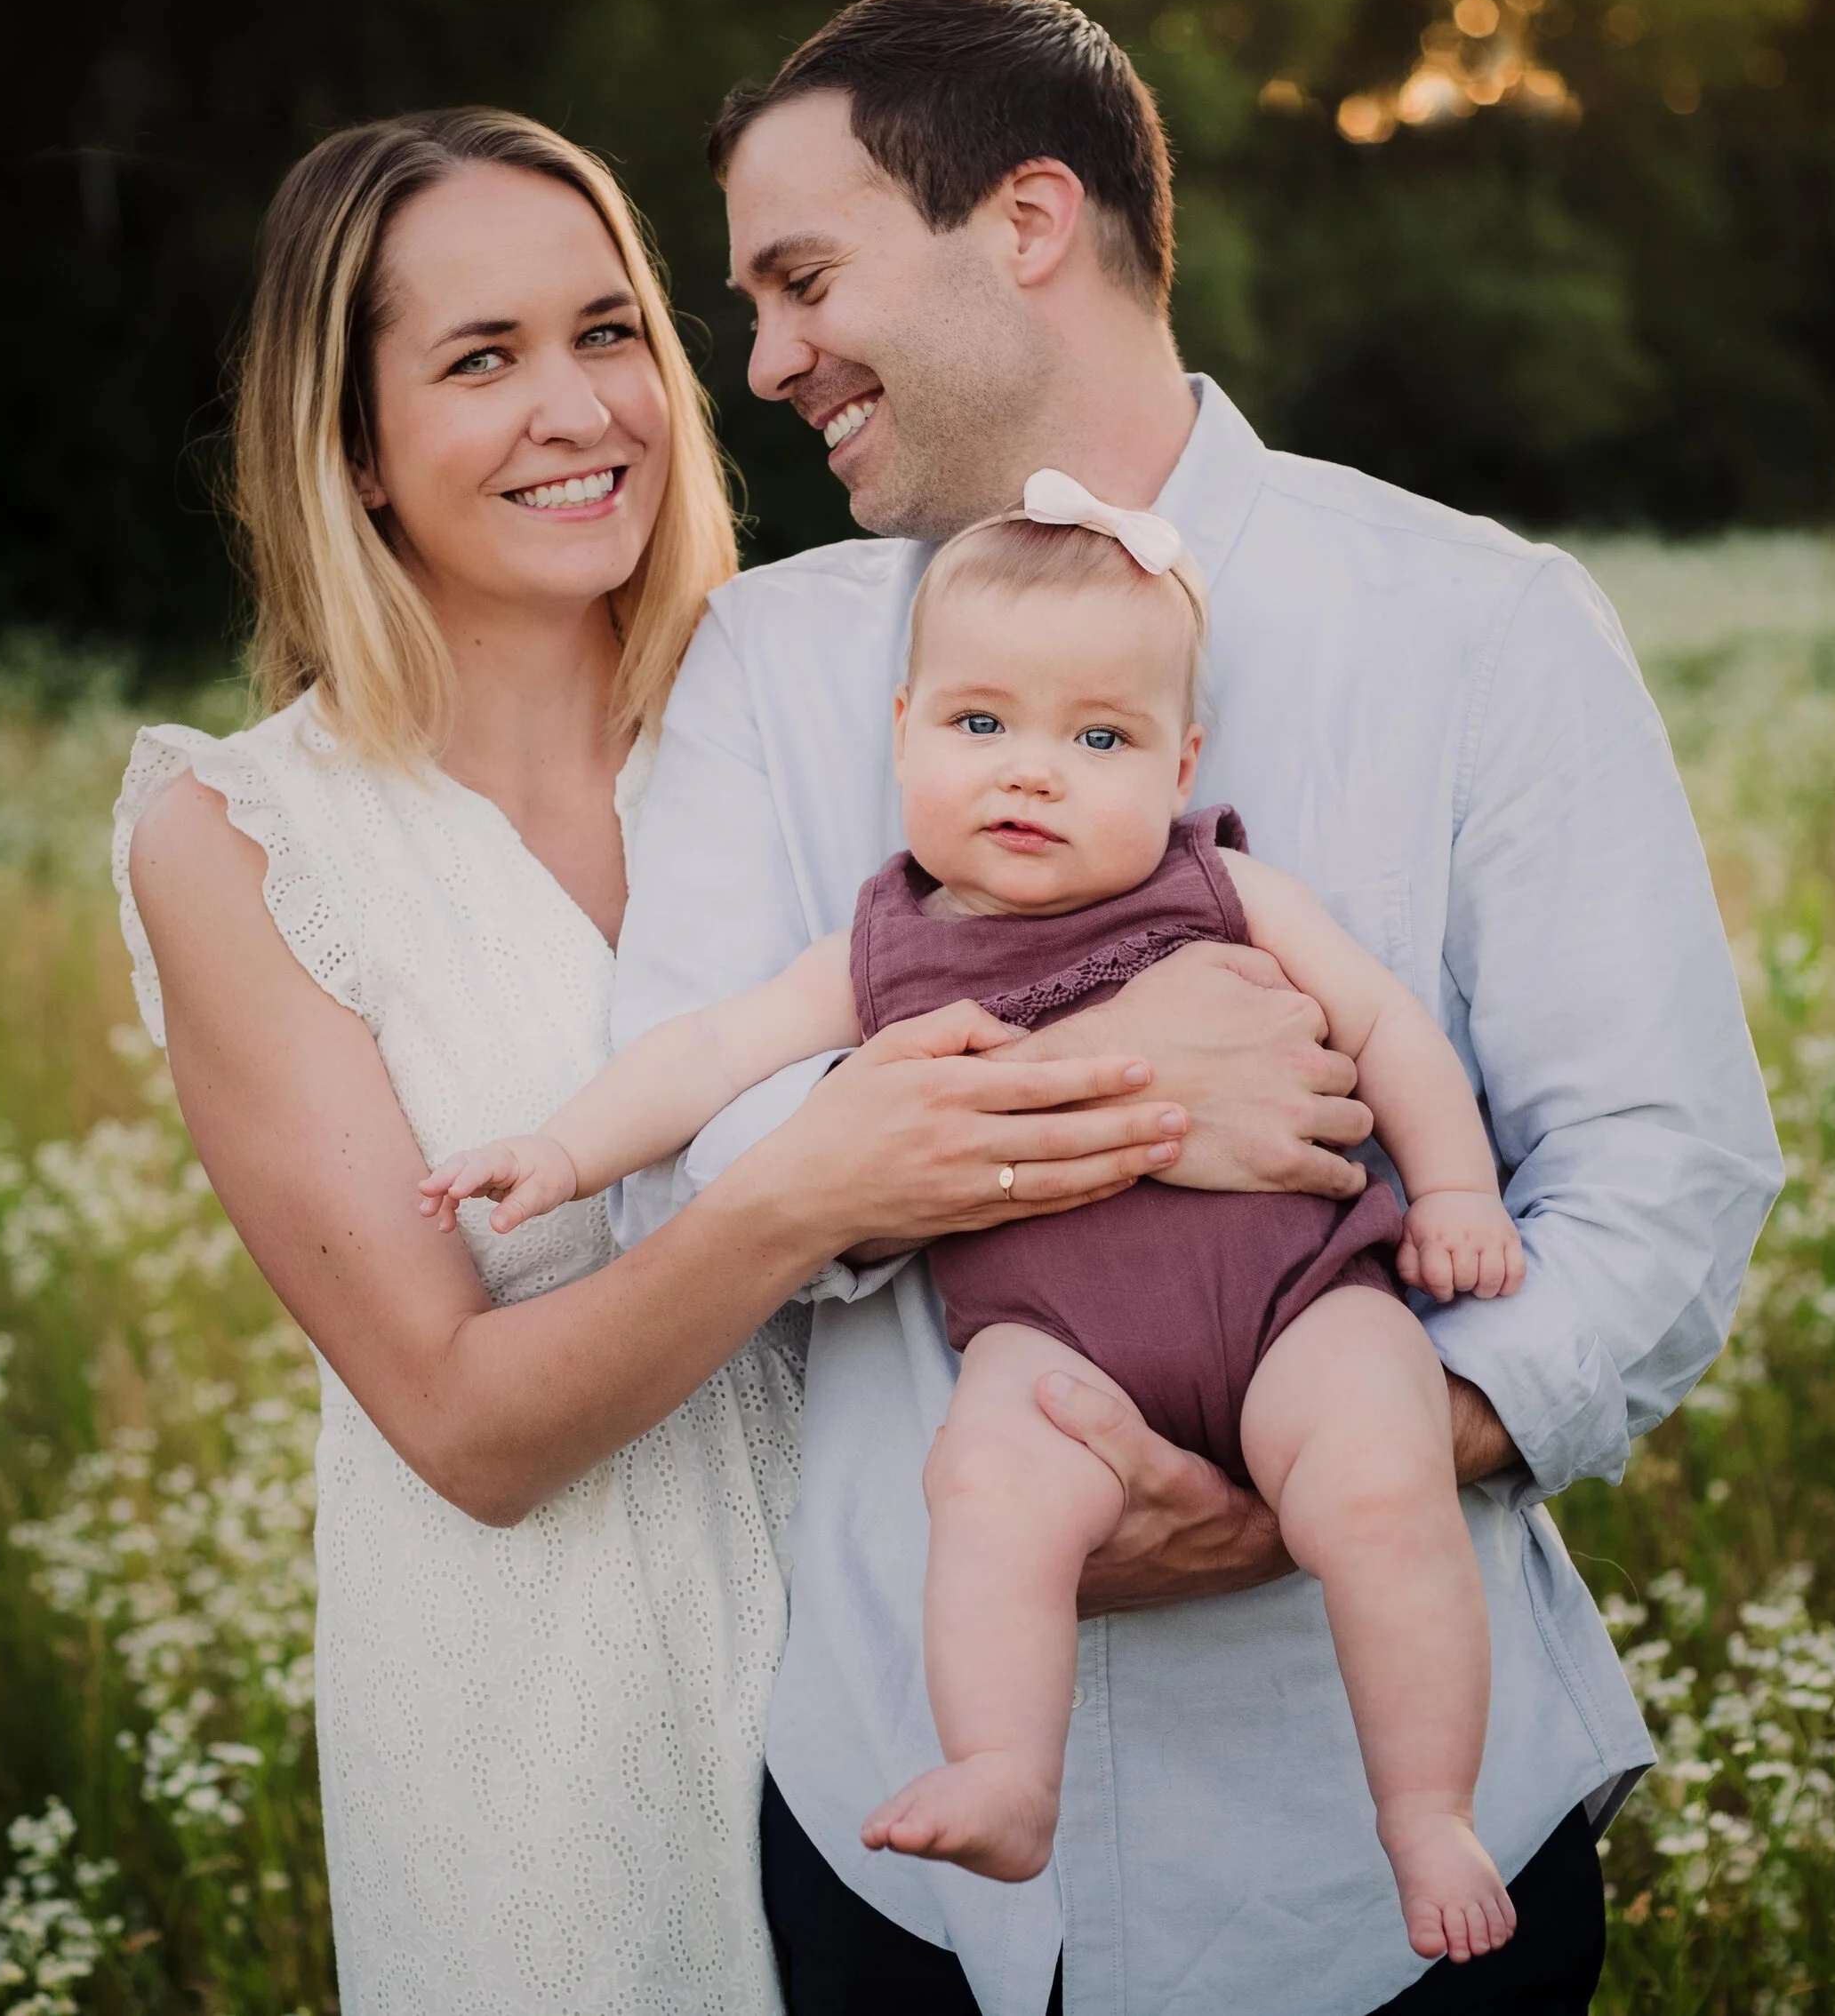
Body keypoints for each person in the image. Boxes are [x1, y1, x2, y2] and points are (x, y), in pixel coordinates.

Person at [610, 0, 1785, 2016]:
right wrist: (1115, 1077)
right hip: (901, 1854)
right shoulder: (765, 668)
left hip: (1381, 1867)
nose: (767, 358)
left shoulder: (1477, 621)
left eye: (801, 279)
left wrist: (1336, 1472)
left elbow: (1661, 1169)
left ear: (1029, 221)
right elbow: (679, 1171)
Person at [112, 108, 1258, 2014]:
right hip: (549, 1715)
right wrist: (815, 1187)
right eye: (480, 360)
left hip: (902, 1668)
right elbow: (467, 1430)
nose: (580, 409)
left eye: (609, 331)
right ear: (352, 446)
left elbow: (1093, 959)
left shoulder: (833, 705)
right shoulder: (242, 836)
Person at [423, 489, 1525, 1964]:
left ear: (1181, 761)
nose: (1035, 776)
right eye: (981, 725)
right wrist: (562, 1149)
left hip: (1300, 1300)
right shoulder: (882, 944)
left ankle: (1427, 1804)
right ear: (902, 730)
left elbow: (1386, 1026)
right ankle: (1007, 1769)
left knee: (1381, 1486)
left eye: (1100, 739)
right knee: (988, 1491)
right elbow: (706, 1057)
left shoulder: (1221, 888)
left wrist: (1452, 1191)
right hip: (1050, 1346)